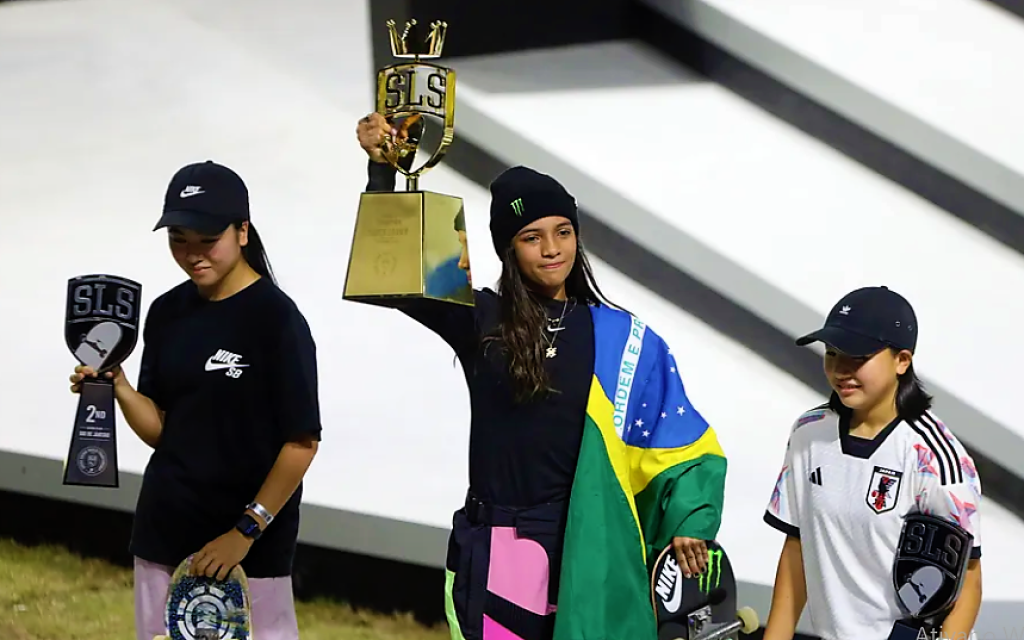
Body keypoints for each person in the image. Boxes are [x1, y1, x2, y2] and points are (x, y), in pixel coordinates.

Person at [356, 112, 728, 640]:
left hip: (586, 546)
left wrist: (693, 522)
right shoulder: (480, 318)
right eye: (532, 237)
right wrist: (382, 172)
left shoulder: (621, 336)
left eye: (563, 232)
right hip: (496, 548)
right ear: (509, 249)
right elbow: (386, 279)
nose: (552, 248)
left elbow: (681, 443)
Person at [68, 160, 322, 640]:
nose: (192, 254)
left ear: (242, 232)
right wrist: (118, 385)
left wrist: (243, 533)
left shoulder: (278, 320)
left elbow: (302, 442)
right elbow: (162, 430)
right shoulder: (166, 312)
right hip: (166, 534)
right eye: (179, 238)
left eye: (207, 239)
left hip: (251, 555)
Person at [762, 286, 983, 640]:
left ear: (902, 361)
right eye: (832, 353)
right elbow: (797, 548)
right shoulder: (808, 433)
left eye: (858, 357)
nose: (840, 370)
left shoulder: (934, 455)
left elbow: (968, 583)